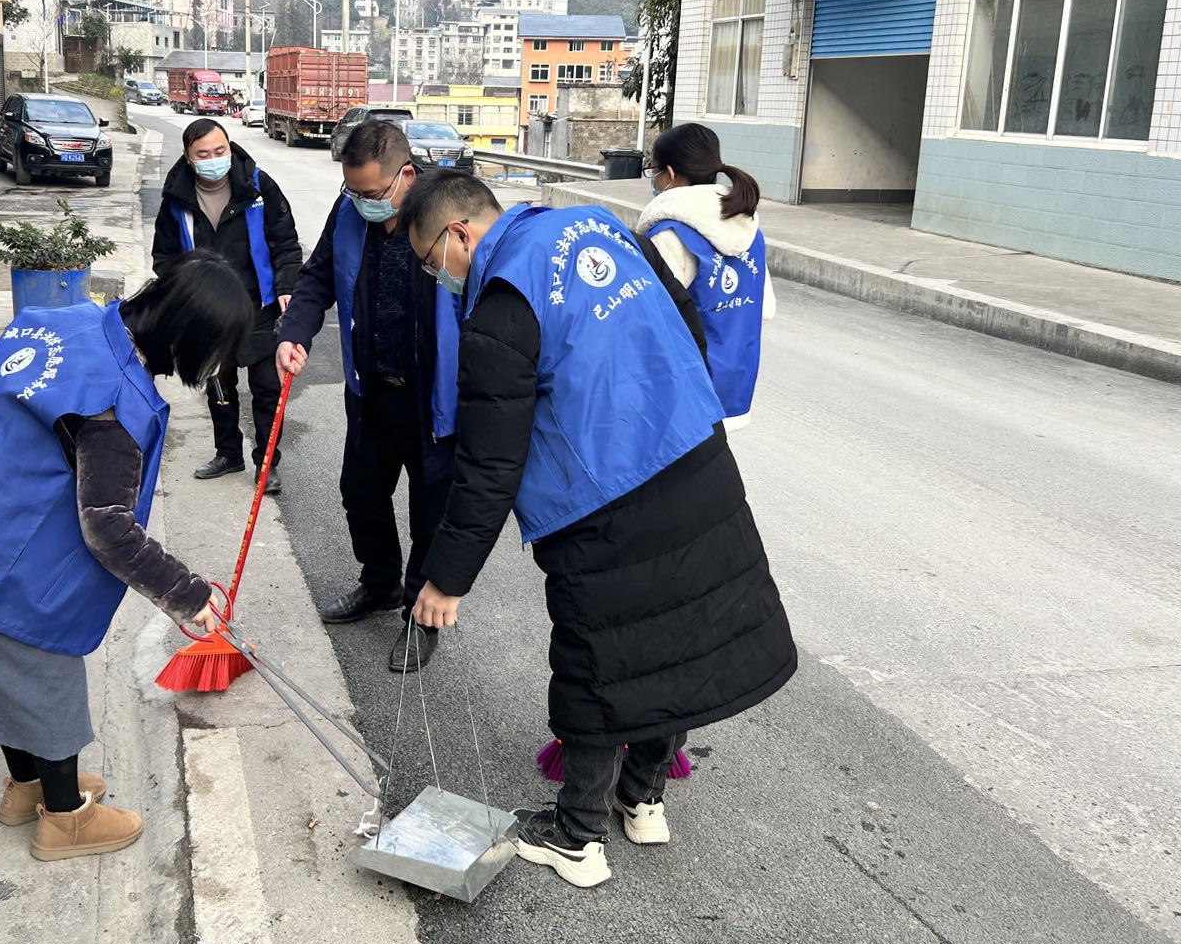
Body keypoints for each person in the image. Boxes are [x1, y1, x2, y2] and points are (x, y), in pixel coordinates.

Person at [400, 171, 797, 889]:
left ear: (459, 234)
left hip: (602, 503)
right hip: (695, 459)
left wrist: (444, 579)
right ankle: (643, 798)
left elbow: (490, 463)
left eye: (432, 262)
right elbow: (687, 317)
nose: (439, 278)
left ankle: (577, 836)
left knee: (600, 660)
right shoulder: (603, 225)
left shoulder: (500, 305)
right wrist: (676, 399)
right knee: (679, 643)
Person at [0, 254, 254, 862]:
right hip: (4, 556)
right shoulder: (114, 405)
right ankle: (65, 819)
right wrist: (188, 595)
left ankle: (26, 787)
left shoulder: (67, 320)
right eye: (216, 352)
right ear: (190, 336)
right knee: (41, 677)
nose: (214, 367)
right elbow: (107, 528)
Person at [276, 121, 460, 672]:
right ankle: (379, 582)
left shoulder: (450, 213)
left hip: (433, 399)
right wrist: (292, 335)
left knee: (431, 513)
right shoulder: (351, 209)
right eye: (349, 192)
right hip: (372, 389)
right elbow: (316, 279)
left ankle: (419, 616)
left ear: (406, 175)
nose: (359, 204)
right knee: (360, 494)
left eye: (371, 194)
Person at [152, 118, 302, 494]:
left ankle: (267, 463)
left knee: (268, 387)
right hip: (211, 312)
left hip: (260, 304)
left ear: (230, 147)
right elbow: (164, 256)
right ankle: (228, 452)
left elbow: (286, 243)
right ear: (189, 158)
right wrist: (184, 292)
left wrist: (286, 286)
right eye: (203, 154)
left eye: (220, 151)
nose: (214, 159)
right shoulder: (176, 198)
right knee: (219, 385)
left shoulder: (258, 186)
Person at [637, 123, 775, 426]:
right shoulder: (750, 231)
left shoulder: (671, 235)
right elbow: (765, 309)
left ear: (669, 175)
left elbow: (642, 319)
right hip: (734, 385)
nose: (654, 180)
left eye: (654, 171)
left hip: (680, 392)